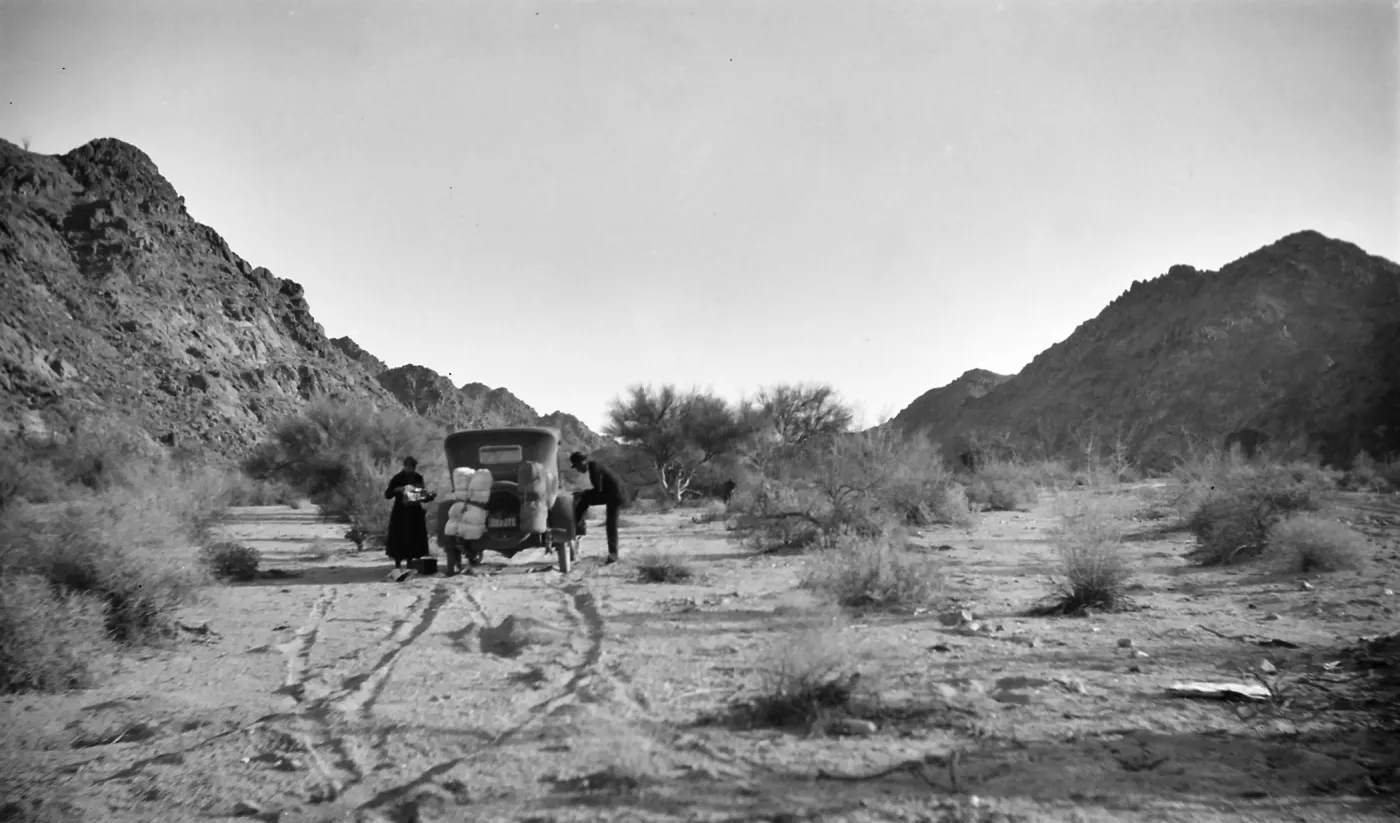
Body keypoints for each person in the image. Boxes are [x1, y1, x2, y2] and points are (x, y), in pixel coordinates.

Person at [569, 451, 629, 564]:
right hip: (612, 494)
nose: (577, 469)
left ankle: (613, 555)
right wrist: (583, 494)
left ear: (583, 461)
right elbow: (598, 491)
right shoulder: (593, 466)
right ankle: (575, 525)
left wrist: (583, 493)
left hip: (616, 495)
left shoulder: (594, 468)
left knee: (611, 525)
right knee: (585, 501)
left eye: (577, 466)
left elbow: (598, 491)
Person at [384, 457, 433, 569]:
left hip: (415, 512)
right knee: (399, 537)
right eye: (408, 467)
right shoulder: (398, 478)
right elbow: (387, 494)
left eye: (412, 467)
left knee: (414, 537)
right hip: (400, 512)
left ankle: (410, 561)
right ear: (404, 466)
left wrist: (428, 496)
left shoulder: (418, 477)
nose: (410, 469)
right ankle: (398, 562)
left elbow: (421, 495)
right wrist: (398, 490)